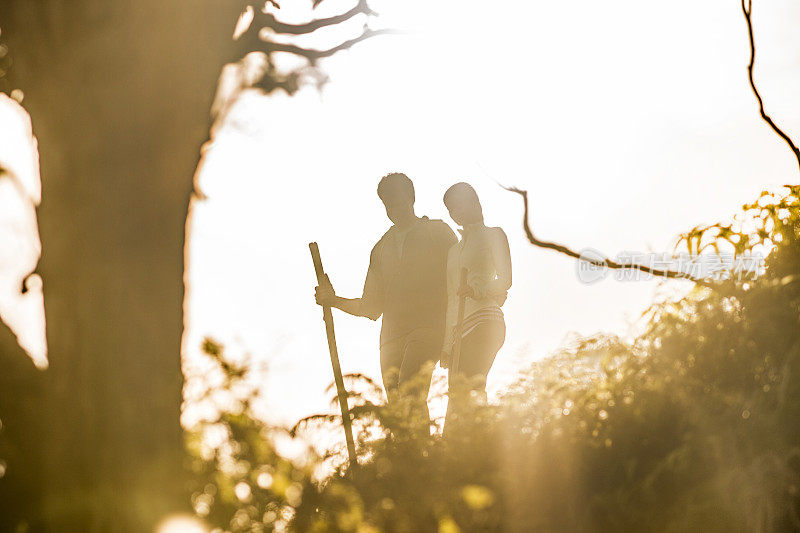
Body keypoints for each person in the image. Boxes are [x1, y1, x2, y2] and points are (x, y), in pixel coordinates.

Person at [315, 173, 457, 434]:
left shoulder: (437, 232)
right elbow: (370, 307)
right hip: (391, 338)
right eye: (388, 204)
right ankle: (407, 464)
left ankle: (424, 458)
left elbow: (460, 277)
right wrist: (332, 300)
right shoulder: (381, 248)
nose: (394, 209)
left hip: (428, 327)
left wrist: (457, 328)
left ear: (412, 199)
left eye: (399, 201)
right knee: (396, 410)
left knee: (410, 392)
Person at [440, 182, 511, 431]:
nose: (455, 212)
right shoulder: (453, 250)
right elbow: (451, 297)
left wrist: (477, 290)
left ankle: (482, 443)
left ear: (475, 202)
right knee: (457, 398)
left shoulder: (494, 234)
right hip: (459, 332)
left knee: (470, 388)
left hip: (486, 322)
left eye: (458, 204)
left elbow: (505, 280)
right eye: (450, 209)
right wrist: (446, 345)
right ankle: (467, 450)